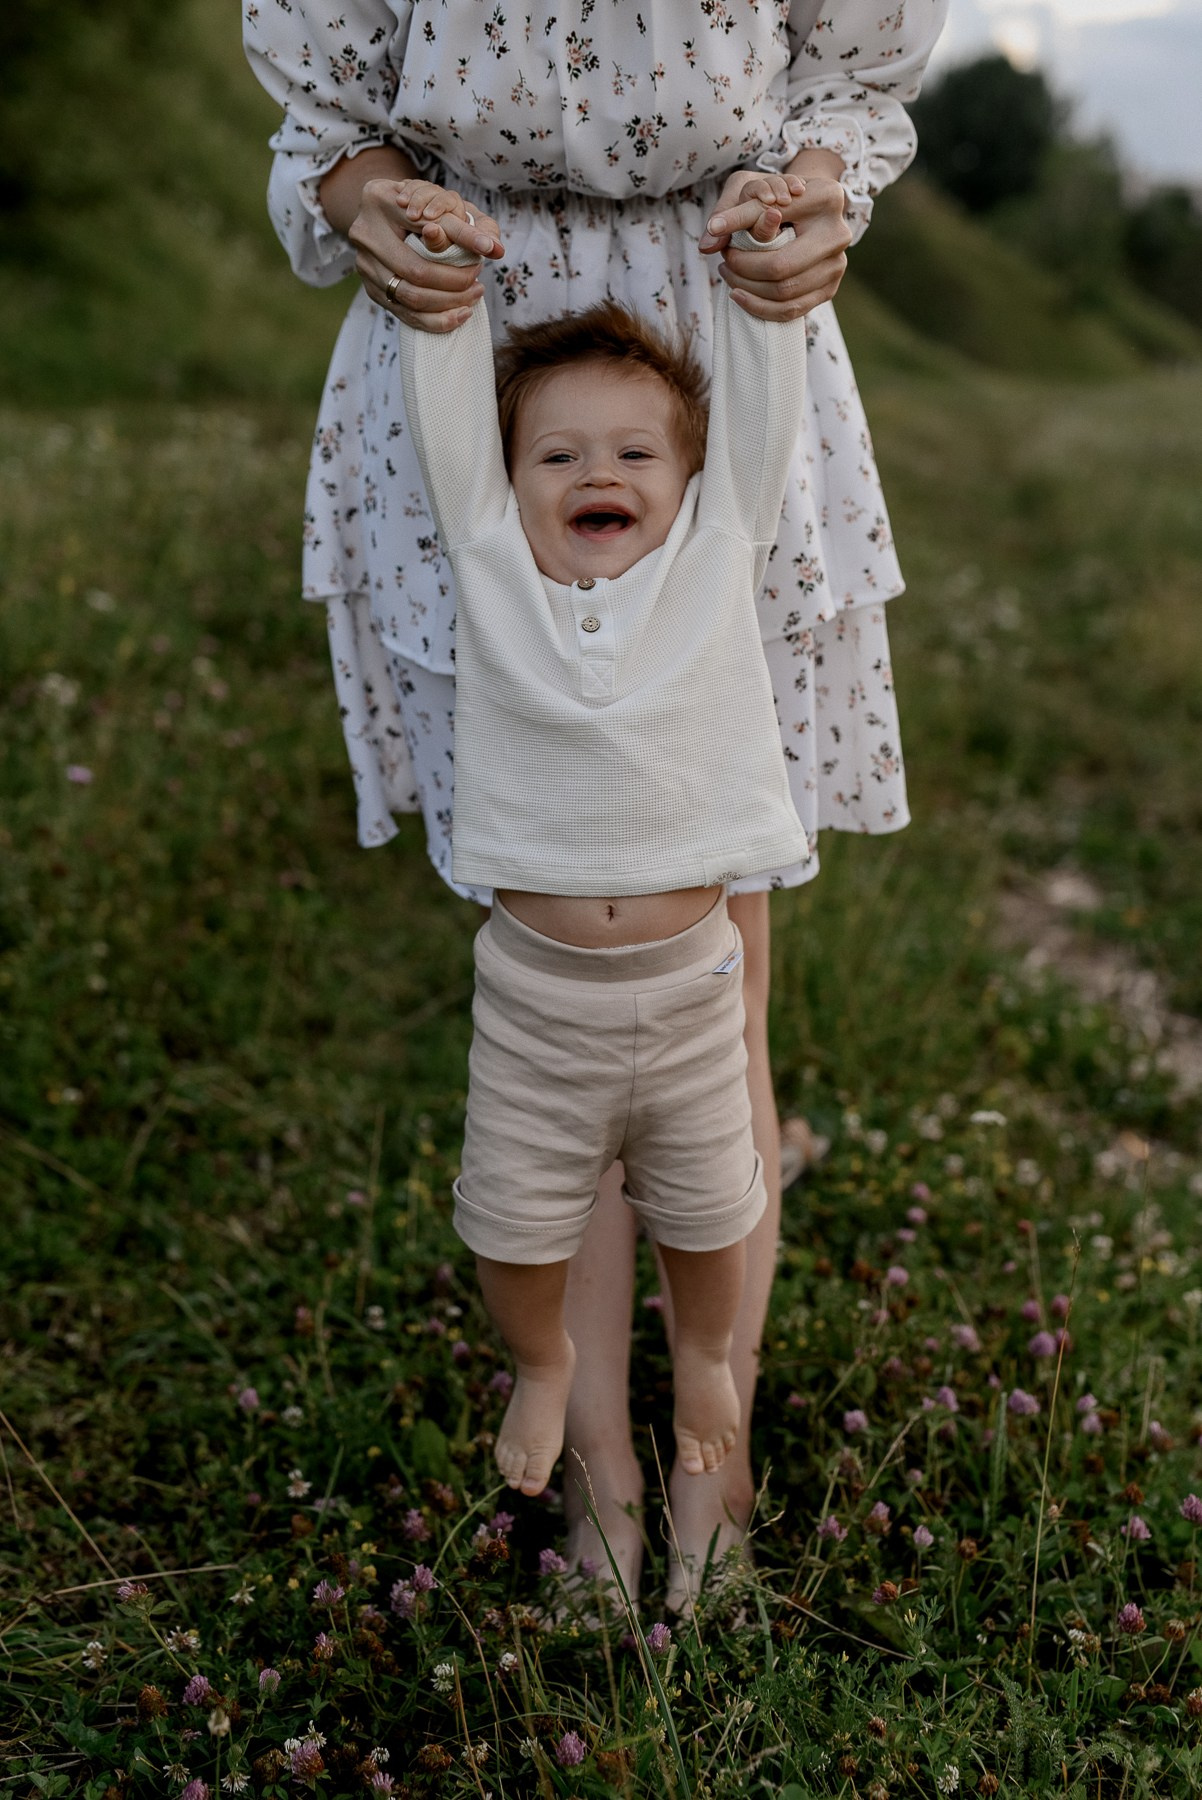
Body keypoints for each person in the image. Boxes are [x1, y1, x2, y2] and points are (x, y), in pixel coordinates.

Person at [244, 0, 948, 1607]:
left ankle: (715, 1442)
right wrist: (374, 203)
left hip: (719, 316)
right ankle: (601, 1475)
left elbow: (849, 68)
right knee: (548, 926)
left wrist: (812, 189)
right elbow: (327, 96)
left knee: (720, 953)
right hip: (474, 332)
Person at [393, 175, 807, 1504]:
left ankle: (702, 1360)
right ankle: (543, 1366)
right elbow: (450, 419)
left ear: (686, 482)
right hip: (536, 999)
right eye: (558, 456)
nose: (597, 474)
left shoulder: (713, 553)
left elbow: (759, 416)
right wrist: (443, 287)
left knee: (711, 1211)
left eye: (634, 453)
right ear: (510, 482)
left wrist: (759, 272)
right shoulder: (489, 563)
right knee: (513, 1223)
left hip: (690, 989)